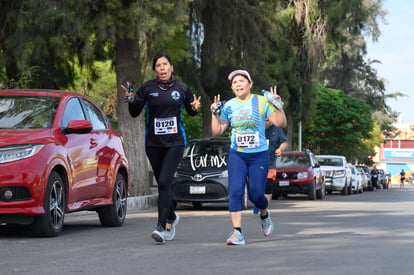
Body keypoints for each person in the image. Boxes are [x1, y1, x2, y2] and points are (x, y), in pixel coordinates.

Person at [122, 52, 201, 244]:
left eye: (165, 64)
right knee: (163, 183)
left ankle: (161, 226)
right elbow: (134, 112)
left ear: (171, 67)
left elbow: (191, 111)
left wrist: (195, 107)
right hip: (153, 143)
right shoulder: (148, 88)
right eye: (159, 65)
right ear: (155, 70)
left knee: (165, 181)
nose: (163, 68)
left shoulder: (181, 88)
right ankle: (172, 216)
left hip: (175, 142)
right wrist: (129, 98)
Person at [211, 69, 287, 245]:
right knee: (236, 191)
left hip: (259, 155)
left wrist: (278, 105)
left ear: (250, 84)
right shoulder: (229, 105)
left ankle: (264, 213)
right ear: (232, 87)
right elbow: (217, 131)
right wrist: (215, 115)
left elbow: (280, 123)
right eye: (234, 82)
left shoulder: (261, 102)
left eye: (242, 80)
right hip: (237, 155)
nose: (238, 84)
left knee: (255, 194)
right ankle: (237, 232)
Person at [253, 120, 288, 214]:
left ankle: (264, 208)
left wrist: (280, 149)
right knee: (256, 186)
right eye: (264, 120)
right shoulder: (255, 127)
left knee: (268, 185)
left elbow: (284, 142)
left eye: (268, 121)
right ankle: (258, 203)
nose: (265, 123)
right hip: (256, 161)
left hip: (270, 162)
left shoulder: (277, 128)